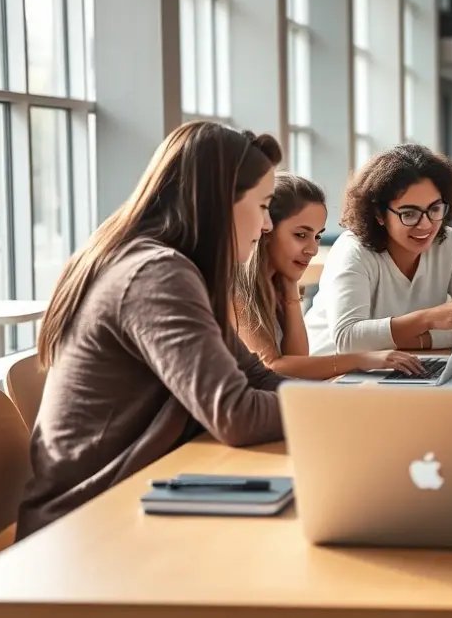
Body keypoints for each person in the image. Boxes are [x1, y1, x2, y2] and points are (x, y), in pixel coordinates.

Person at [19, 121, 290, 538]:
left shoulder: (168, 266)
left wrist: (345, 402)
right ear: (220, 203)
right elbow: (236, 415)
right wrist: (342, 412)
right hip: (86, 527)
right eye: (263, 205)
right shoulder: (156, 274)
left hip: (130, 499)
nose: (268, 225)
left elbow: (255, 377)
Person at [233, 173, 425, 378]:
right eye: (301, 235)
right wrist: (362, 359)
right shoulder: (233, 289)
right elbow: (272, 367)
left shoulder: (277, 284)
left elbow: (298, 360)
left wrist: (290, 287)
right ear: (265, 230)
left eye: (317, 236)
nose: (313, 249)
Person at [304, 144, 452, 354]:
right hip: (330, 375)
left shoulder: (449, 243)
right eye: (409, 214)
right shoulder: (353, 250)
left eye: (435, 209)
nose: (425, 225)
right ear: (379, 214)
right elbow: (348, 339)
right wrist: (428, 319)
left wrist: (421, 340)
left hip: (401, 364)